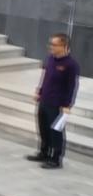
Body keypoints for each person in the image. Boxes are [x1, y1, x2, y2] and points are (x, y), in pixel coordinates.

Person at [27, 33, 80, 169]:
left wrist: (67, 105)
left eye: (54, 45)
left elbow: (72, 87)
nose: (51, 47)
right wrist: (39, 92)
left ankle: (55, 159)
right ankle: (44, 153)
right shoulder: (50, 59)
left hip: (57, 104)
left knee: (55, 132)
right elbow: (45, 77)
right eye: (50, 44)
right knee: (43, 128)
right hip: (44, 100)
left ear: (64, 46)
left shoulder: (71, 64)